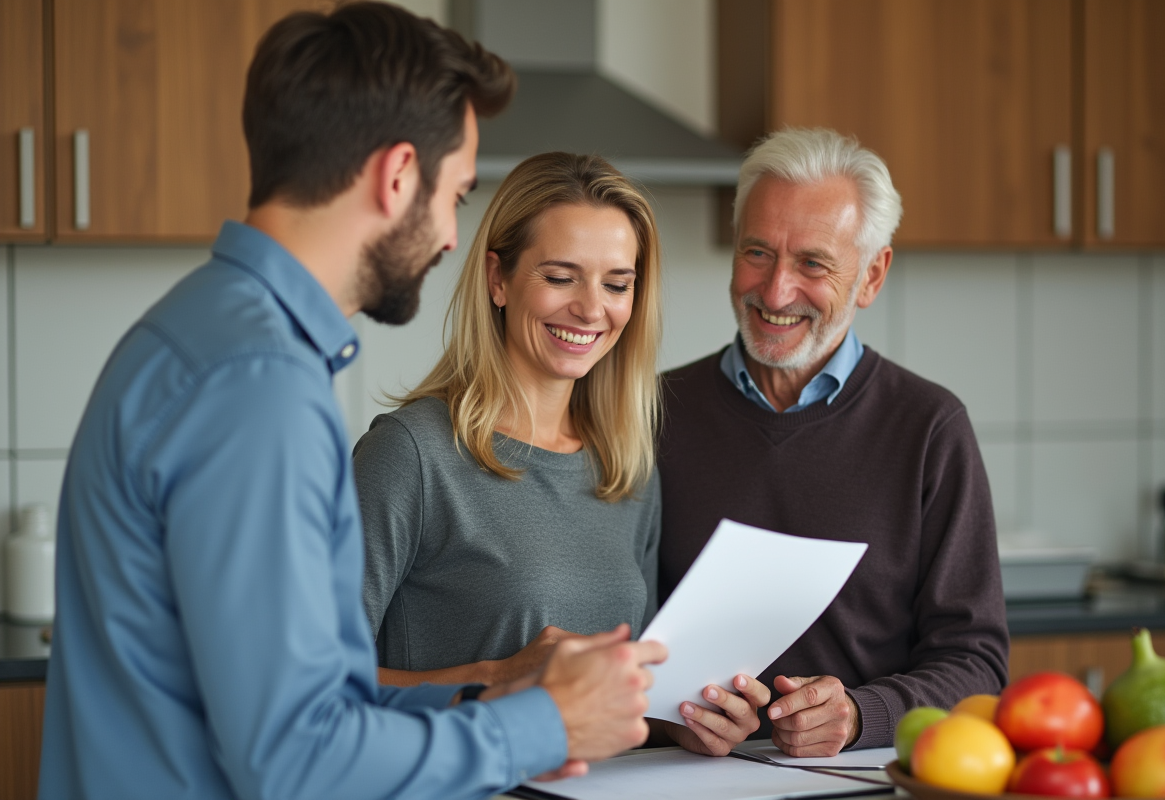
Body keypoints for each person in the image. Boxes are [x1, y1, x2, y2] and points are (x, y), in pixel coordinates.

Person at [39, 5, 668, 799]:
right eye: (456, 193)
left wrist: (496, 692)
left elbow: (298, 701)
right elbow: (295, 759)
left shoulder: (207, 331)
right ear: (398, 174)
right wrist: (542, 727)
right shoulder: (255, 385)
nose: (448, 236)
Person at [353, 150, 769, 757]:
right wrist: (498, 677)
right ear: (498, 279)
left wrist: (685, 720)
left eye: (617, 284)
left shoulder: (627, 468)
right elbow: (311, 686)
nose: (591, 308)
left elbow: (630, 696)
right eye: (559, 276)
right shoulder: (411, 454)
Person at [656, 127, 1009, 756]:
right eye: (757, 252)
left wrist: (858, 713)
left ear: (872, 276)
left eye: (812, 263)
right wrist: (669, 716)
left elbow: (976, 663)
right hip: (677, 780)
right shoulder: (653, 414)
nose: (775, 291)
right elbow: (611, 633)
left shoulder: (930, 428)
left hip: (860, 779)